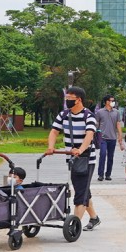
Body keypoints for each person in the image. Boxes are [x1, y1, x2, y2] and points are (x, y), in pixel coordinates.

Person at [46, 86, 101, 230]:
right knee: (82, 189)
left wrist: (81, 149)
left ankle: (74, 225)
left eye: (70, 99)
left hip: (86, 159)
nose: (67, 101)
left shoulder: (89, 116)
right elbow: (54, 131)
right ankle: (94, 218)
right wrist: (51, 147)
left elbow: (89, 135)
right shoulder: (63, 115)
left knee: (80, 194)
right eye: (66, 98)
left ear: (79, 100)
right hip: (72, 159)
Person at [94, 95, 123, 182]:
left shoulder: (116, 112)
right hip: (102, 138)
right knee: (102, 155)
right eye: (111, 100)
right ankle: (100, 174)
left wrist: (120, 135)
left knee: (110, 157)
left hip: (113, 138)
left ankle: (108, 174)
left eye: (113, 100)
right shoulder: (100, 112)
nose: (113, 102)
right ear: (106, 101)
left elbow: (118, 124)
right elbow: (96, 124)